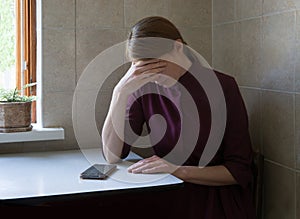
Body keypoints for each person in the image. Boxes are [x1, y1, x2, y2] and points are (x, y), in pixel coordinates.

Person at [101, 16, 255, 219]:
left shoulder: (222, 87)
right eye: (143, 69)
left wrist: (179, 171)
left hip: (215, 201)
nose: (153, 76)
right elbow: (112, 155)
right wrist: (119, 93)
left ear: (177, 47)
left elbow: (239, 170)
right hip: (167, 194)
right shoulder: (144, 88)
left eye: (157, 66)